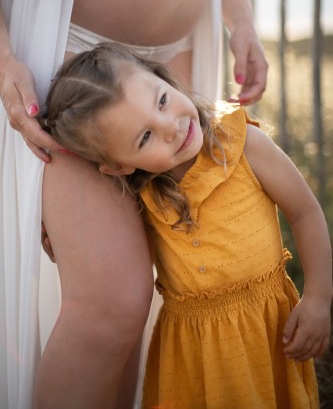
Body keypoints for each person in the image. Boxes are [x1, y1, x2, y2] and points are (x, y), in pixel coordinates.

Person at [0, 0, 268, 408]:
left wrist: (241, 13)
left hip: (178, 57)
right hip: (69, 54)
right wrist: (2, 57)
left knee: (171, 295)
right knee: (110, 309)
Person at [40, 42, 332, 408]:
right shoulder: (143, 195)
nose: (171, 127)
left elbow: (305, 212)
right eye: (145, 137)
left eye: (161, 101)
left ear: (163, 77)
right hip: (193, 351)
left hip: (265, 331)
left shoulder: (243, 145)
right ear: (119, 166)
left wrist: (319, 298)